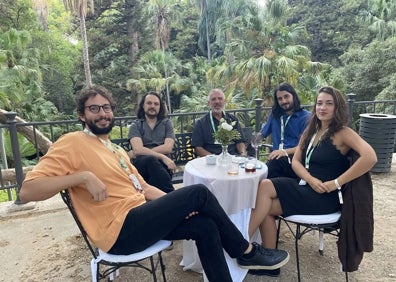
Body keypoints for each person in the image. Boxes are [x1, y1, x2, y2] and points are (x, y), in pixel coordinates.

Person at [19, 85, 290, 282]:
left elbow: (146, 190)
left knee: (205, 225)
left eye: (106, 107)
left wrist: (179, 207)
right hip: (119, 232)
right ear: (82, 115)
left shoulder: (115, 150)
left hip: (142, 219)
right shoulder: (72, 142)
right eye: (94, 108)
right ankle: (245, 250)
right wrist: (82, 177)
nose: (102, 113)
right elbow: (28, 190)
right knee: (197, 191)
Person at [247, 86, 377, 277]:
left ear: (337, 107)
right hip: (307, 187)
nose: (322, 107)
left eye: (329, 103)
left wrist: (336, 183)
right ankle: (270, 262)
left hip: (325, 197)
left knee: (265, 186)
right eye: (319, 103)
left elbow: (370, 157)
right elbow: (297, 162)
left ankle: (238, 244)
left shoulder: (343, 132)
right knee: (266, 207)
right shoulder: (312, 129)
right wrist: (309, 178)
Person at [128, 91, 175, 193]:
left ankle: (160, 201)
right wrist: (162, 156)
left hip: (164, 166)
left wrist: (142, 151)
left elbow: (168, 147)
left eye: (156, 104)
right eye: (149, 103)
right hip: (142, 167)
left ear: (160, 107)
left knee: (153, 165)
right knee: (150, 160)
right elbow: (138, 149)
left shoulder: (167, 123)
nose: (152, 106)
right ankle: (172, 196)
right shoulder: (136, 125)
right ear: (143, 106)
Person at [261, 82, 310, 178]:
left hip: (296, 160)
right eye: (280, 99)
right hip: (276, 159)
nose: (283, 101)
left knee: (272, 166)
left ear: (293, 96)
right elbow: (262, 134)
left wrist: (284, 152)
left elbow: (306, 146)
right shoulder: (275, 115)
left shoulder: (306, 117)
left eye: (286, 96)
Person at [192, 88, 247, 157]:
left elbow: (240, 141)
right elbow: (198, 148)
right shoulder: (201, 123)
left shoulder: (233, 119)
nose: (217, 102)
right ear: (209, 103)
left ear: (224, 102)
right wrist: (214, 158)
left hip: (232, 158)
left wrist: (243, 154)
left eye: (220, 99)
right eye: (213, 99)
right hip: (212, 161)